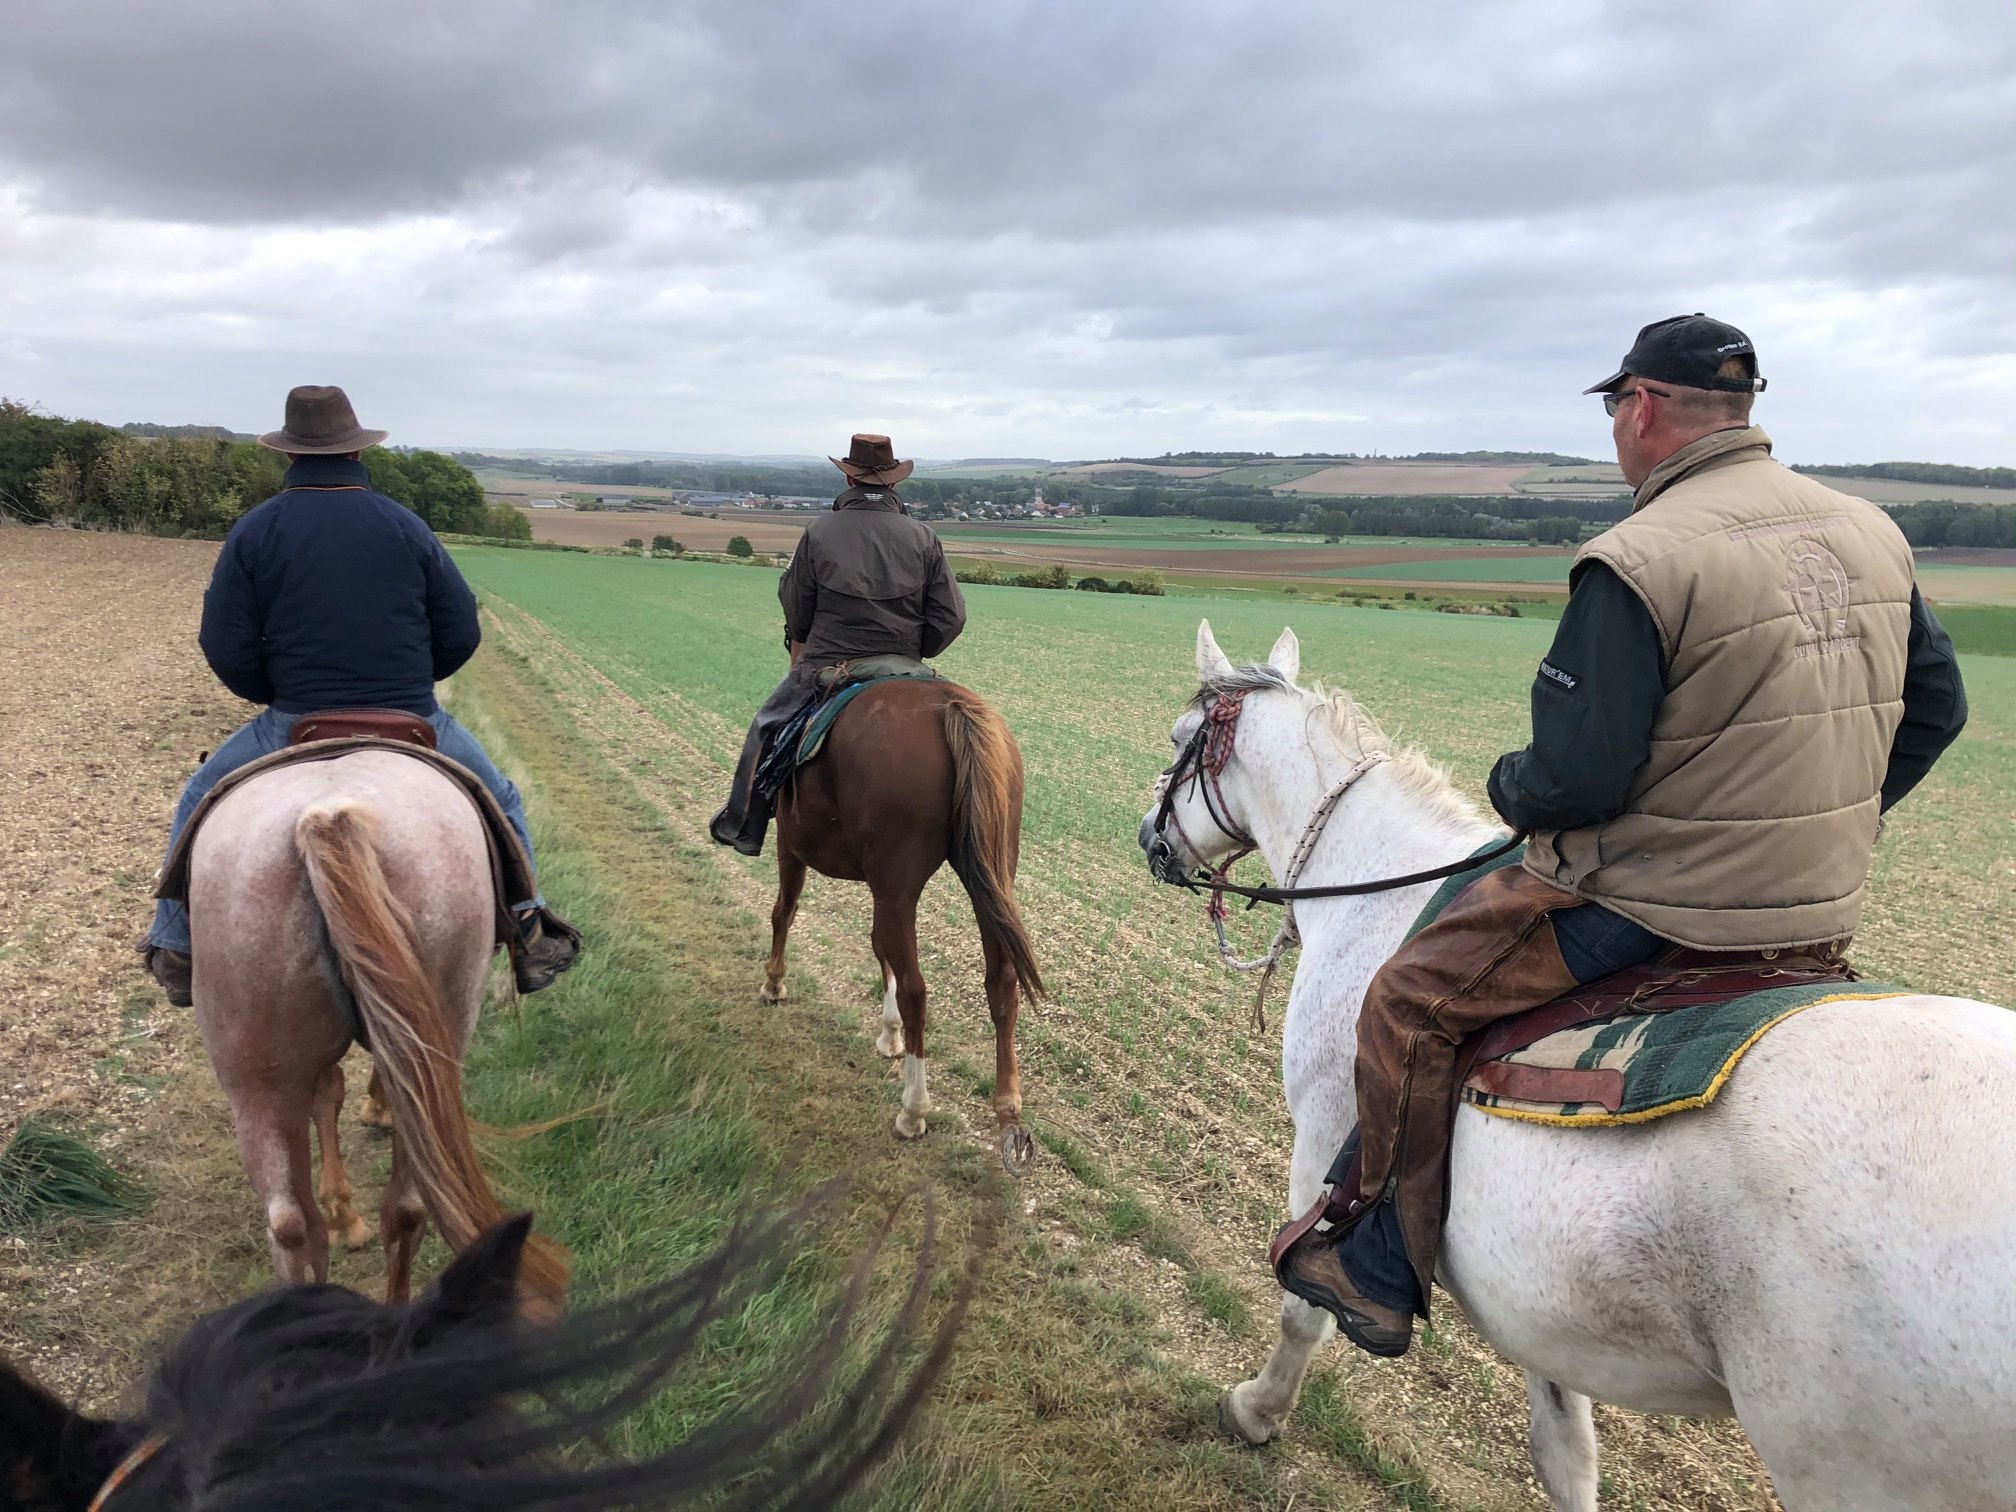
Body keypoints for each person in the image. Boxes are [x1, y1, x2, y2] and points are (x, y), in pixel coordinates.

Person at [1273, 314, 1970, 1358]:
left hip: (1649, 906)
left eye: (1613, 408)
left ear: (1641, 408)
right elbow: (1938, 712)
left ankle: (1374, 1264)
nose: (1614, 428)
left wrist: (1510, 782)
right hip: (1815, 907)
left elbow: (1574, 779)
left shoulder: (1638, 557)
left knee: (1407, 1003)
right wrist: (1827, 824)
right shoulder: (1872, 530)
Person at [140, 385, 581, 1005]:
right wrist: (411, 688)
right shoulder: (405, 525)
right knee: (501, 797)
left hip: (295, 718)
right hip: (410, 717)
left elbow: (225, 645)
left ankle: (177, 944)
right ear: (356, 452)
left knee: (197, 794)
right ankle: (530, 932)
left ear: (288, 454)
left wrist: (277, 696)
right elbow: (460, 630)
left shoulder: (255, 530)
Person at [709, 434, 966, 856]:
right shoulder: (924, 538)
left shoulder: (819, 532)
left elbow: (796, 608)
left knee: (768, 724)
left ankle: (743, 824)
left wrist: (808, 639)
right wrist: (917, 650)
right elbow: (950, 617)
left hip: (829, 661)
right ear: (893, 484)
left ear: (848, 480)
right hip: (905, 665)